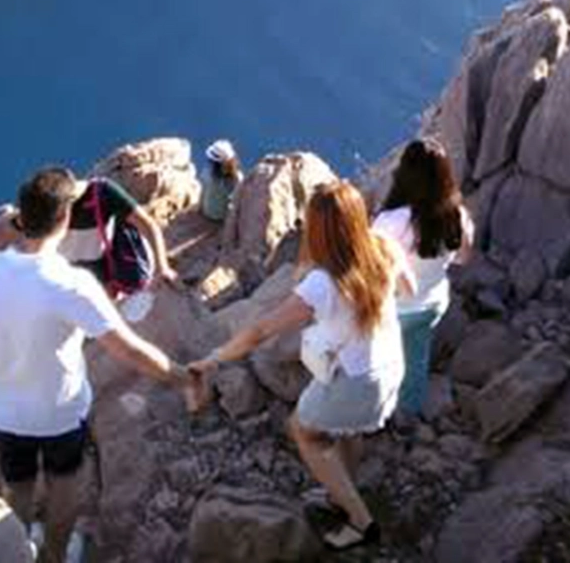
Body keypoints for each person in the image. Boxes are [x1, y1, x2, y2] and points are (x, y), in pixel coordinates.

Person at [0, 167, 204, 563]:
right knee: (64, 483)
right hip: (60, 415)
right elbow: (130, 350)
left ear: (20, 217)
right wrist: (182, 377)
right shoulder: (72, 285)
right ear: (65, 219)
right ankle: (54, 555)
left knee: (16, 486)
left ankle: (17, 552)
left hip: (3, 413)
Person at [193, 181, 412, 551]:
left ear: (317, 230)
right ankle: (343, 488)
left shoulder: (323, 284)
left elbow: (260, 331)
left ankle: (361, 522)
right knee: (348, 429)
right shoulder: (385, 247)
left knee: (303, 430)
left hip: (356, 380)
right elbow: (406, 289)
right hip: (390, 362)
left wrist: (214, 358)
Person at [369, 140, 473, 419]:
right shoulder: (458, 217)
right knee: (416, 356)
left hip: (395, 310)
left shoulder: (392, 221)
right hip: (432, 303)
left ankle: (375, 410)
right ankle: (410, 411)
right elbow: (463, 258)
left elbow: (371, 270)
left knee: (378, 359)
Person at [57, 170, 179, 311]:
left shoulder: (102, 192)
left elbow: (148, 225)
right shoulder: (36, 214)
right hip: (76, 264)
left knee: (131, 295)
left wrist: (162, 267)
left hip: (109, 255)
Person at [200, 140, 242, 223]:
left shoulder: (207, 172)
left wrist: (200, 207)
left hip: (207, 212)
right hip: (223, 216)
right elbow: (237, 198)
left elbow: (203, 190)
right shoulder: (237, 178)